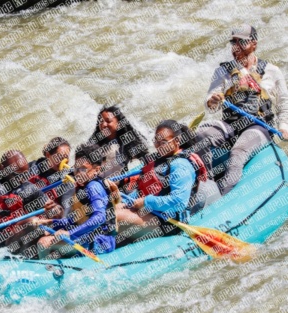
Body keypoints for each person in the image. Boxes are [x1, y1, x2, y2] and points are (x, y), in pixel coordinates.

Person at [201, 24, 288, 195]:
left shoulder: (272, 71)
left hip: (259, 126)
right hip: (231, 125)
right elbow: (210, 105)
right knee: (202, 135)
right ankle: (206, 186)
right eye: (234, 42)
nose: (236, 47)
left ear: (254, 44)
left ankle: (223, 196)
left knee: (238, 152)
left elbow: (284, 103)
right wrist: (213, 100)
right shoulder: (222, 72)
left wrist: (284, 127)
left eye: (241, 42)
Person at [112, 120, 207, 247]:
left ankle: (101, 245)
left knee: (115, 216)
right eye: (156, 141)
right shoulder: (160, 159)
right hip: (151, 211)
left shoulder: (181, 166)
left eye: (163, 142)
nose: (158, 146)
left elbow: (179, 202)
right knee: (110, 210)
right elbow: (144, 185)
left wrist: (145, 202)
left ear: (177, 141)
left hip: (169, 222)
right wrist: (124, 199)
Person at [36, 144, 117, 259]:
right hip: (91, 236)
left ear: (97, 169)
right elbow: (77, 218)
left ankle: (49, 271)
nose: (78, 174)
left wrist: (69, 233)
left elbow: (100, 217)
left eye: (83, 169)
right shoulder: (86, 185)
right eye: (76, 168)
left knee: (43, 243)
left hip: (100, 243)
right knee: (49, 233)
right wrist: (51, 221)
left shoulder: (93, 187)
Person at [88, 105, 149, 180]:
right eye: (101, 121)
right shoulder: (93, 144)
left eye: (108, 121)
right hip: (98, 182)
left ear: (119, 123)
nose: (103, 125)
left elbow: (146, 162)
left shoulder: (130, 142)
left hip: (121, 184)